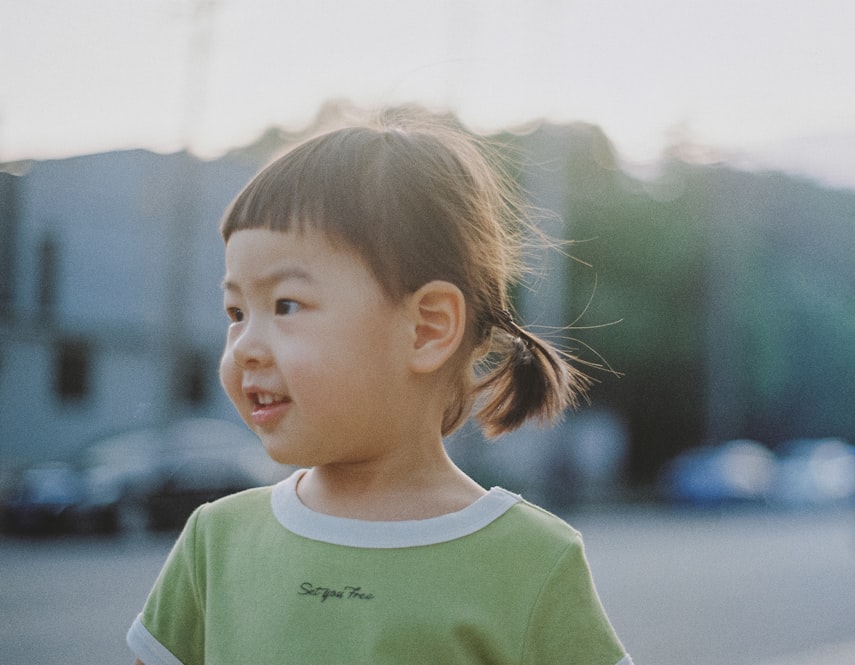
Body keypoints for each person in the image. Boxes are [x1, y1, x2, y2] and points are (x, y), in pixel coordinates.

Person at [127, 109, 632, 665]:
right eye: (235, 310)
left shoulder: (534, 561)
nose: (244, 344)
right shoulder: (215, 541)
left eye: (285, 305)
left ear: (427, 328)